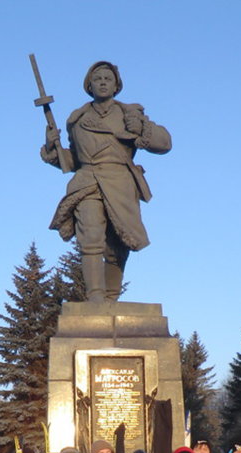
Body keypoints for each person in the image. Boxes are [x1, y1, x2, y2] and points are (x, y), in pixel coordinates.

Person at [41, 60, 172, 303]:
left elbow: (165, 144)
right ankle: (96, 299)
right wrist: (52, 147)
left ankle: (111, 298)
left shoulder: (129, 114)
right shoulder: (77, 119)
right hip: (87, 180)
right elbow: (73, 161)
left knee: (116, 246)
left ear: (116, 86)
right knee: (90, 237)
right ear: (89, 85)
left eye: (107, 78)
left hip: (120, 183)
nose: (102, 82)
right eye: (97, 78)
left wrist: (142, 128)